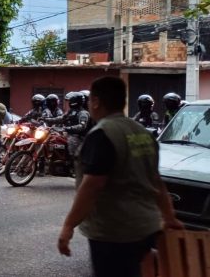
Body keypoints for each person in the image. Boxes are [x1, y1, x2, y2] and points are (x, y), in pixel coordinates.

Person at [57, 76, 183, 277]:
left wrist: (68, 225)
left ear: (96, 102)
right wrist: (169, 216)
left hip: (114, 231)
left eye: (91, 101)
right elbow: (156, 181)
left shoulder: (102, 134)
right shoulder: (142, 132)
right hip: (147, 226)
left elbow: (92, 186)